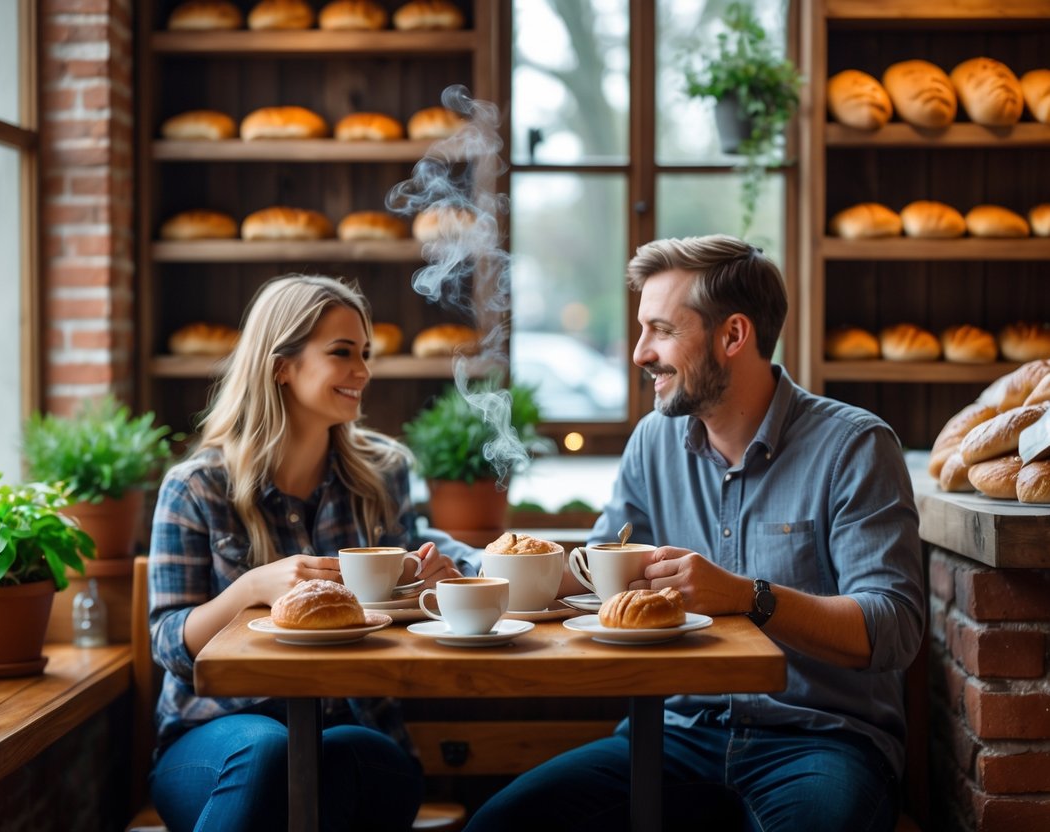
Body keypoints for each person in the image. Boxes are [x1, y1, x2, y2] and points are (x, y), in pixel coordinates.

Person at [467, 235, 925, 832]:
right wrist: (478, 574)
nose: (638, 354)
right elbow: (594, 584)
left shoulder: (854, 447)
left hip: (819, 743)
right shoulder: (652, 443)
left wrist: (746, 597)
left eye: (660, 330)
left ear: (733, 336)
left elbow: (892, 627)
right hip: (673, 734)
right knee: (499, 825)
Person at [147, 274, 476, 832]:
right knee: (270, 752)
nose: (363, 372)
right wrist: (250, 588)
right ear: (282, 365)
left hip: (351, 723)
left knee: (367, 760)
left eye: (365, 354)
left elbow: (425, 568)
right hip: (217, 740)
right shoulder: (197, 487)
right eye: (342, 353)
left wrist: (434, 583)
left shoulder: (383, 473)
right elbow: (168, 645)